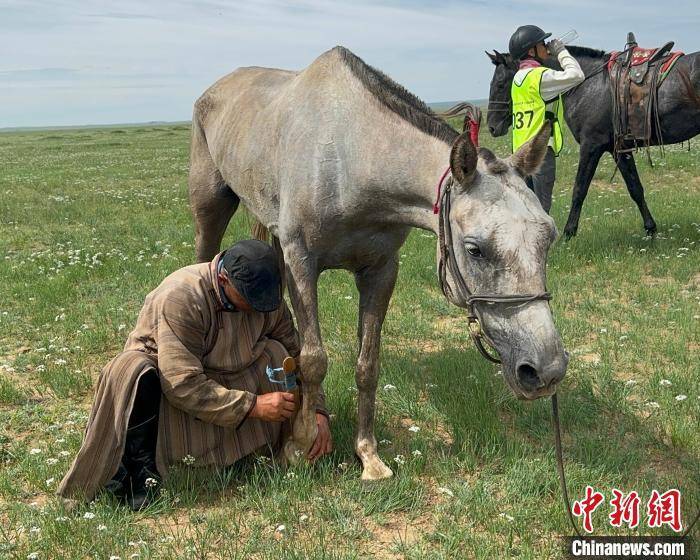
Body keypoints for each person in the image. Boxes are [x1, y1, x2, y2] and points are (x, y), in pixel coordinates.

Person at [58, 239, 332, 509]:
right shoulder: (183, 297)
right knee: (133, 370)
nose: (257, 309)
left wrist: (318, 412)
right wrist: (254, 406)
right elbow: (182, 384)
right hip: (174, 387)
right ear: (224, 279)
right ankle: (139, 469)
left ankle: (252, 451)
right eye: (249, 300)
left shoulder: (266, 299)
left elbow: (300, 356)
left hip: (232, 374)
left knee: (277, 351)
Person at [508, 25, 585, 213]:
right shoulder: (540, 77)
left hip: (519, 150)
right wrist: (562, 52)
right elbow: (577, 75)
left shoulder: (518, 79)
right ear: (531, 50)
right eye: (542, 44)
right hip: (539, 151)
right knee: (542, 207)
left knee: (526, 205)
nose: (546, 47)